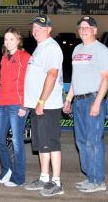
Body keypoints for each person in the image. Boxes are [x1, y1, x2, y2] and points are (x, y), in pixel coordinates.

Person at [63, 16, 108, 193]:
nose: (83, 30)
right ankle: (90, 176)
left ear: (95, 30)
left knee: (93, 142)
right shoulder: (76, 49)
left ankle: (98, 181)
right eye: (81, 27)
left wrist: (97, 102)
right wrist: (68, 99)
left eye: (87, 27)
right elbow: (75, 79)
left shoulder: (101, 50)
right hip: (78, 101)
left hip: (93, 99)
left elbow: (106, 78)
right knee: (81, 142)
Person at [23, 15, 64, 197]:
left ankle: (56, 181)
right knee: (42, 145)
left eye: (40, 27)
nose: (35, 29)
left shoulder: (52, 48)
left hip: (47, 105)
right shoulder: (40, 48)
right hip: (37, 106)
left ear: (49, 29)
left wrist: (41, 101)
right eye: (34, 27)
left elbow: (52, 75)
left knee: (51, 143)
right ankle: (44, 177)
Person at [0, 27, 30, 187]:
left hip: (17, 105)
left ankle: (18, 177)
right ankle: (6, 169)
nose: (8, 42)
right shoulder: (4, 57)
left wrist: (25, 105)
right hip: (3, 105)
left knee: (17, 142)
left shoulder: (25, 57)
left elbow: (30, 82)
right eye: (6, 39)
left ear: (18, 40)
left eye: (11, 39)